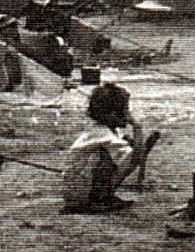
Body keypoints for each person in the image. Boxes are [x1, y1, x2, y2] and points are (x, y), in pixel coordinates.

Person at [62, 83, 152, 214]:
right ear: (111, 114)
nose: (128, 115)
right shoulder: (104, 135)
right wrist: (137, 127)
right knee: (118, 158)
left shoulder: (103, 129)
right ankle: (96, 200)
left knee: (121, 154)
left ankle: (103, 196)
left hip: (77, 187)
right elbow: (134, 159)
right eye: (125, 110)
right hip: (78, 191)